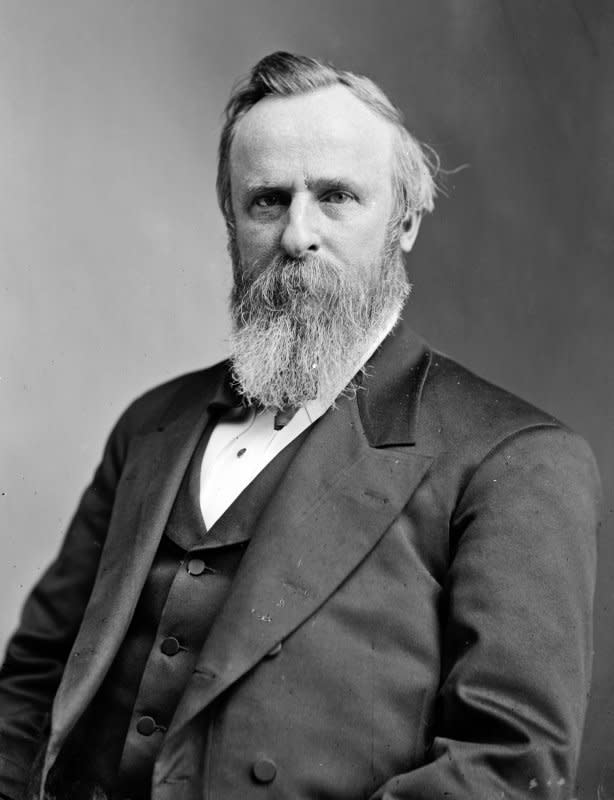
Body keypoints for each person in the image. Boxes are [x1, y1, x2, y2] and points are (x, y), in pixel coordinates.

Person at [0, 51, 600, 800]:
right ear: (232, 224)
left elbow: (509, 769)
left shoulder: (515, 460)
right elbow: (32, 679)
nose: (297, 235)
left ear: (405, 223)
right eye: (267, 201)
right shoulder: (152, 424)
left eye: (337, 197)